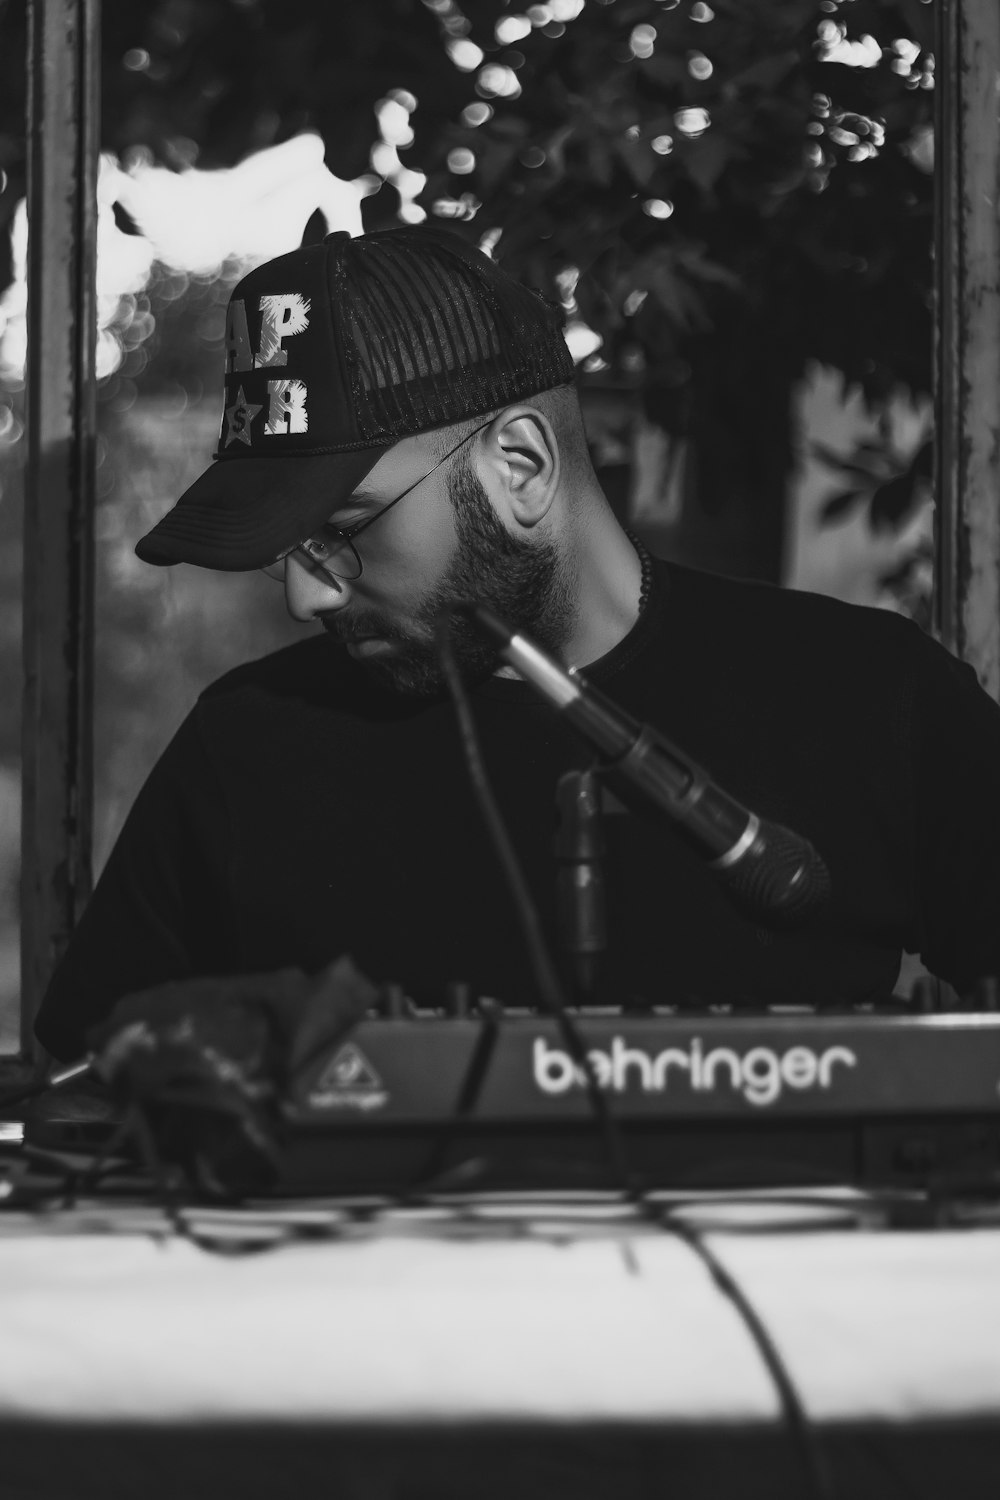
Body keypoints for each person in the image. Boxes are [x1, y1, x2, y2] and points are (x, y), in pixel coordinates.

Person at [35, 225, 1000, 1062]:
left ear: (522, 466)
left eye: (344, 529)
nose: (301, 595)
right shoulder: (245, 750)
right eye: (285, 550)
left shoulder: (866, 697)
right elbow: (93, 1106)